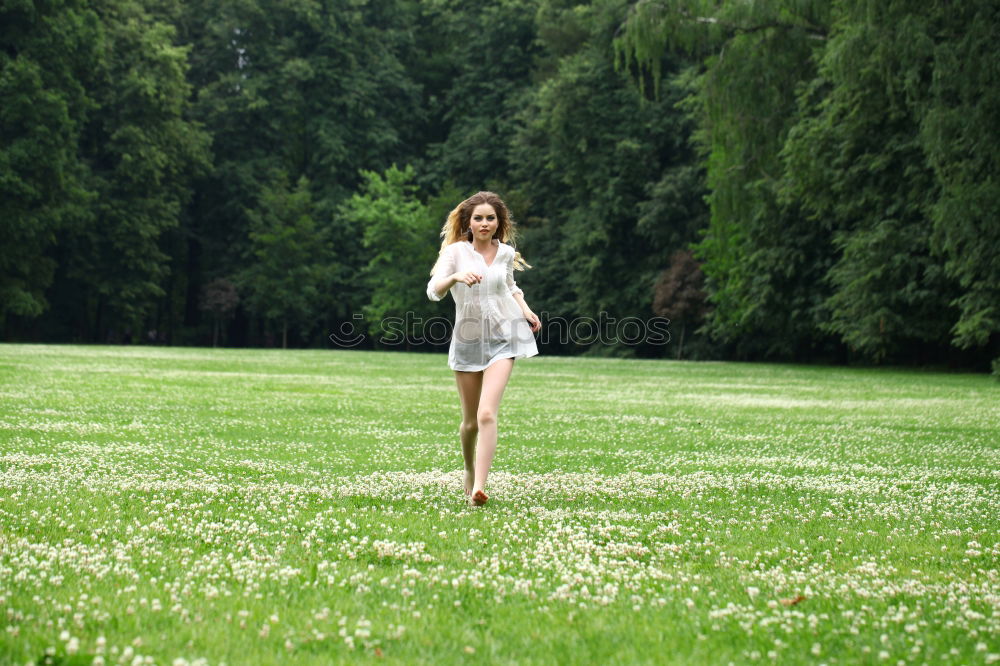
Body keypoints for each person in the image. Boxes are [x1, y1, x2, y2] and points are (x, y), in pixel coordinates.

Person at [426, 191, 541, 507]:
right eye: (479, 218)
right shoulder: (455, 253)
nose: (485, 223)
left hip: (505, 336)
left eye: (491, 218)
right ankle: (468, 468)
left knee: (487, 413)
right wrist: (455, 277)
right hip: (468, 340)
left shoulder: (505, 253)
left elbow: (509, 286)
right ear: (468, 222)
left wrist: (526, 310)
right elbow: (432, 291)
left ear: (499, 222)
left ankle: (479, 487)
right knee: (470, 422)